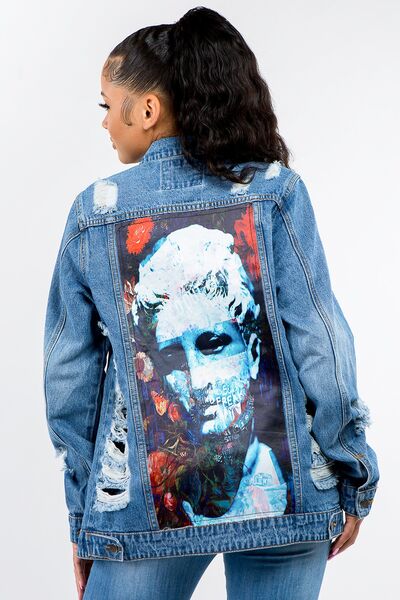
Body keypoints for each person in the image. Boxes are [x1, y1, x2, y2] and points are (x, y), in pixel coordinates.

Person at [43, 6, 380, 600]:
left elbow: (69, 377)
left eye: (108, 105)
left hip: (141, 517)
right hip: (293, 508)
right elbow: (322, 341)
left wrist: (88, 513)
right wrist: (352, 469)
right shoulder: (275, 191)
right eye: (171, 354)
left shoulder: (95, 213)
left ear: (147, 110)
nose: (105, 122)